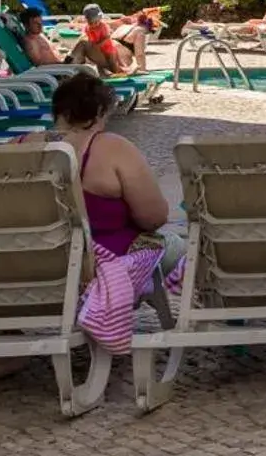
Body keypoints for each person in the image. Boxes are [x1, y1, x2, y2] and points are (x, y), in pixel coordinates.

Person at [20, 73, 181, 355]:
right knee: (175, 246)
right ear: (98, 112)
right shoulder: (112, 148)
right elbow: (153, 218)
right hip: (89, 269)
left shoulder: (19, 146)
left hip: (25, 266)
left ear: (58, 112)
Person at [71, 4, 148, 76]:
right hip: (113, 57)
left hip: (108, 55)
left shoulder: (123, 26)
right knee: (85, 45)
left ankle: (69, 66)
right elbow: (140, 54)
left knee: (84, 45)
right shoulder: (140, 31)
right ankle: (124, 70)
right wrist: (143, 70)